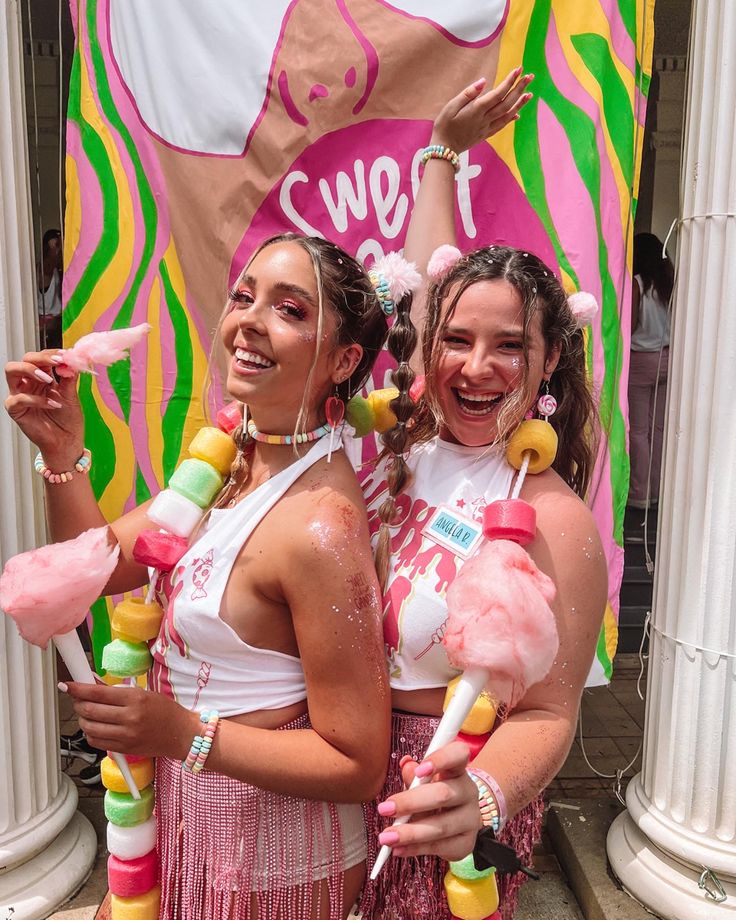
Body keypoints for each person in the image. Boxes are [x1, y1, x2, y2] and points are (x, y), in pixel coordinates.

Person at [6, 233, 395, 920]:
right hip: (188, 818)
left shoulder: (319, 526)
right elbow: (95, 565)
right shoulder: (228, 462)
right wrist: (64, 453)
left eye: (290, 309)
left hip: (271, 858)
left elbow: (358, 762)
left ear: (344, 360)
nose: (249, 318)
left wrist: (181, 731)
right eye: (244, 297)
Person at [357, 80, 608, 920]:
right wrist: (441, 149)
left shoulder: (555, 521)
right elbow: (432, 282)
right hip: (331, 763)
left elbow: (549, 712)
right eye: (457, 340)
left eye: (510, 346)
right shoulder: (412, 433)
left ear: (546, 369)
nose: (476, 364)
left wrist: (484, 797)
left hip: (446, 786)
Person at [628, 232, 673, 509]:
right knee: (659, 430)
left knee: (639, 432)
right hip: (669, 358)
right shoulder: (670, 283)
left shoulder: (638, 284)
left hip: (641, 361)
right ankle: (657, 492)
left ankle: (640, 493)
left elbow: (630, 325)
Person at [37, 228, 63, 349]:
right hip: (48, 322)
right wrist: (54, 247)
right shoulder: (45, 266)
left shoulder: (55, 268)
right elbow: (51, 261)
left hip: (54, 321)